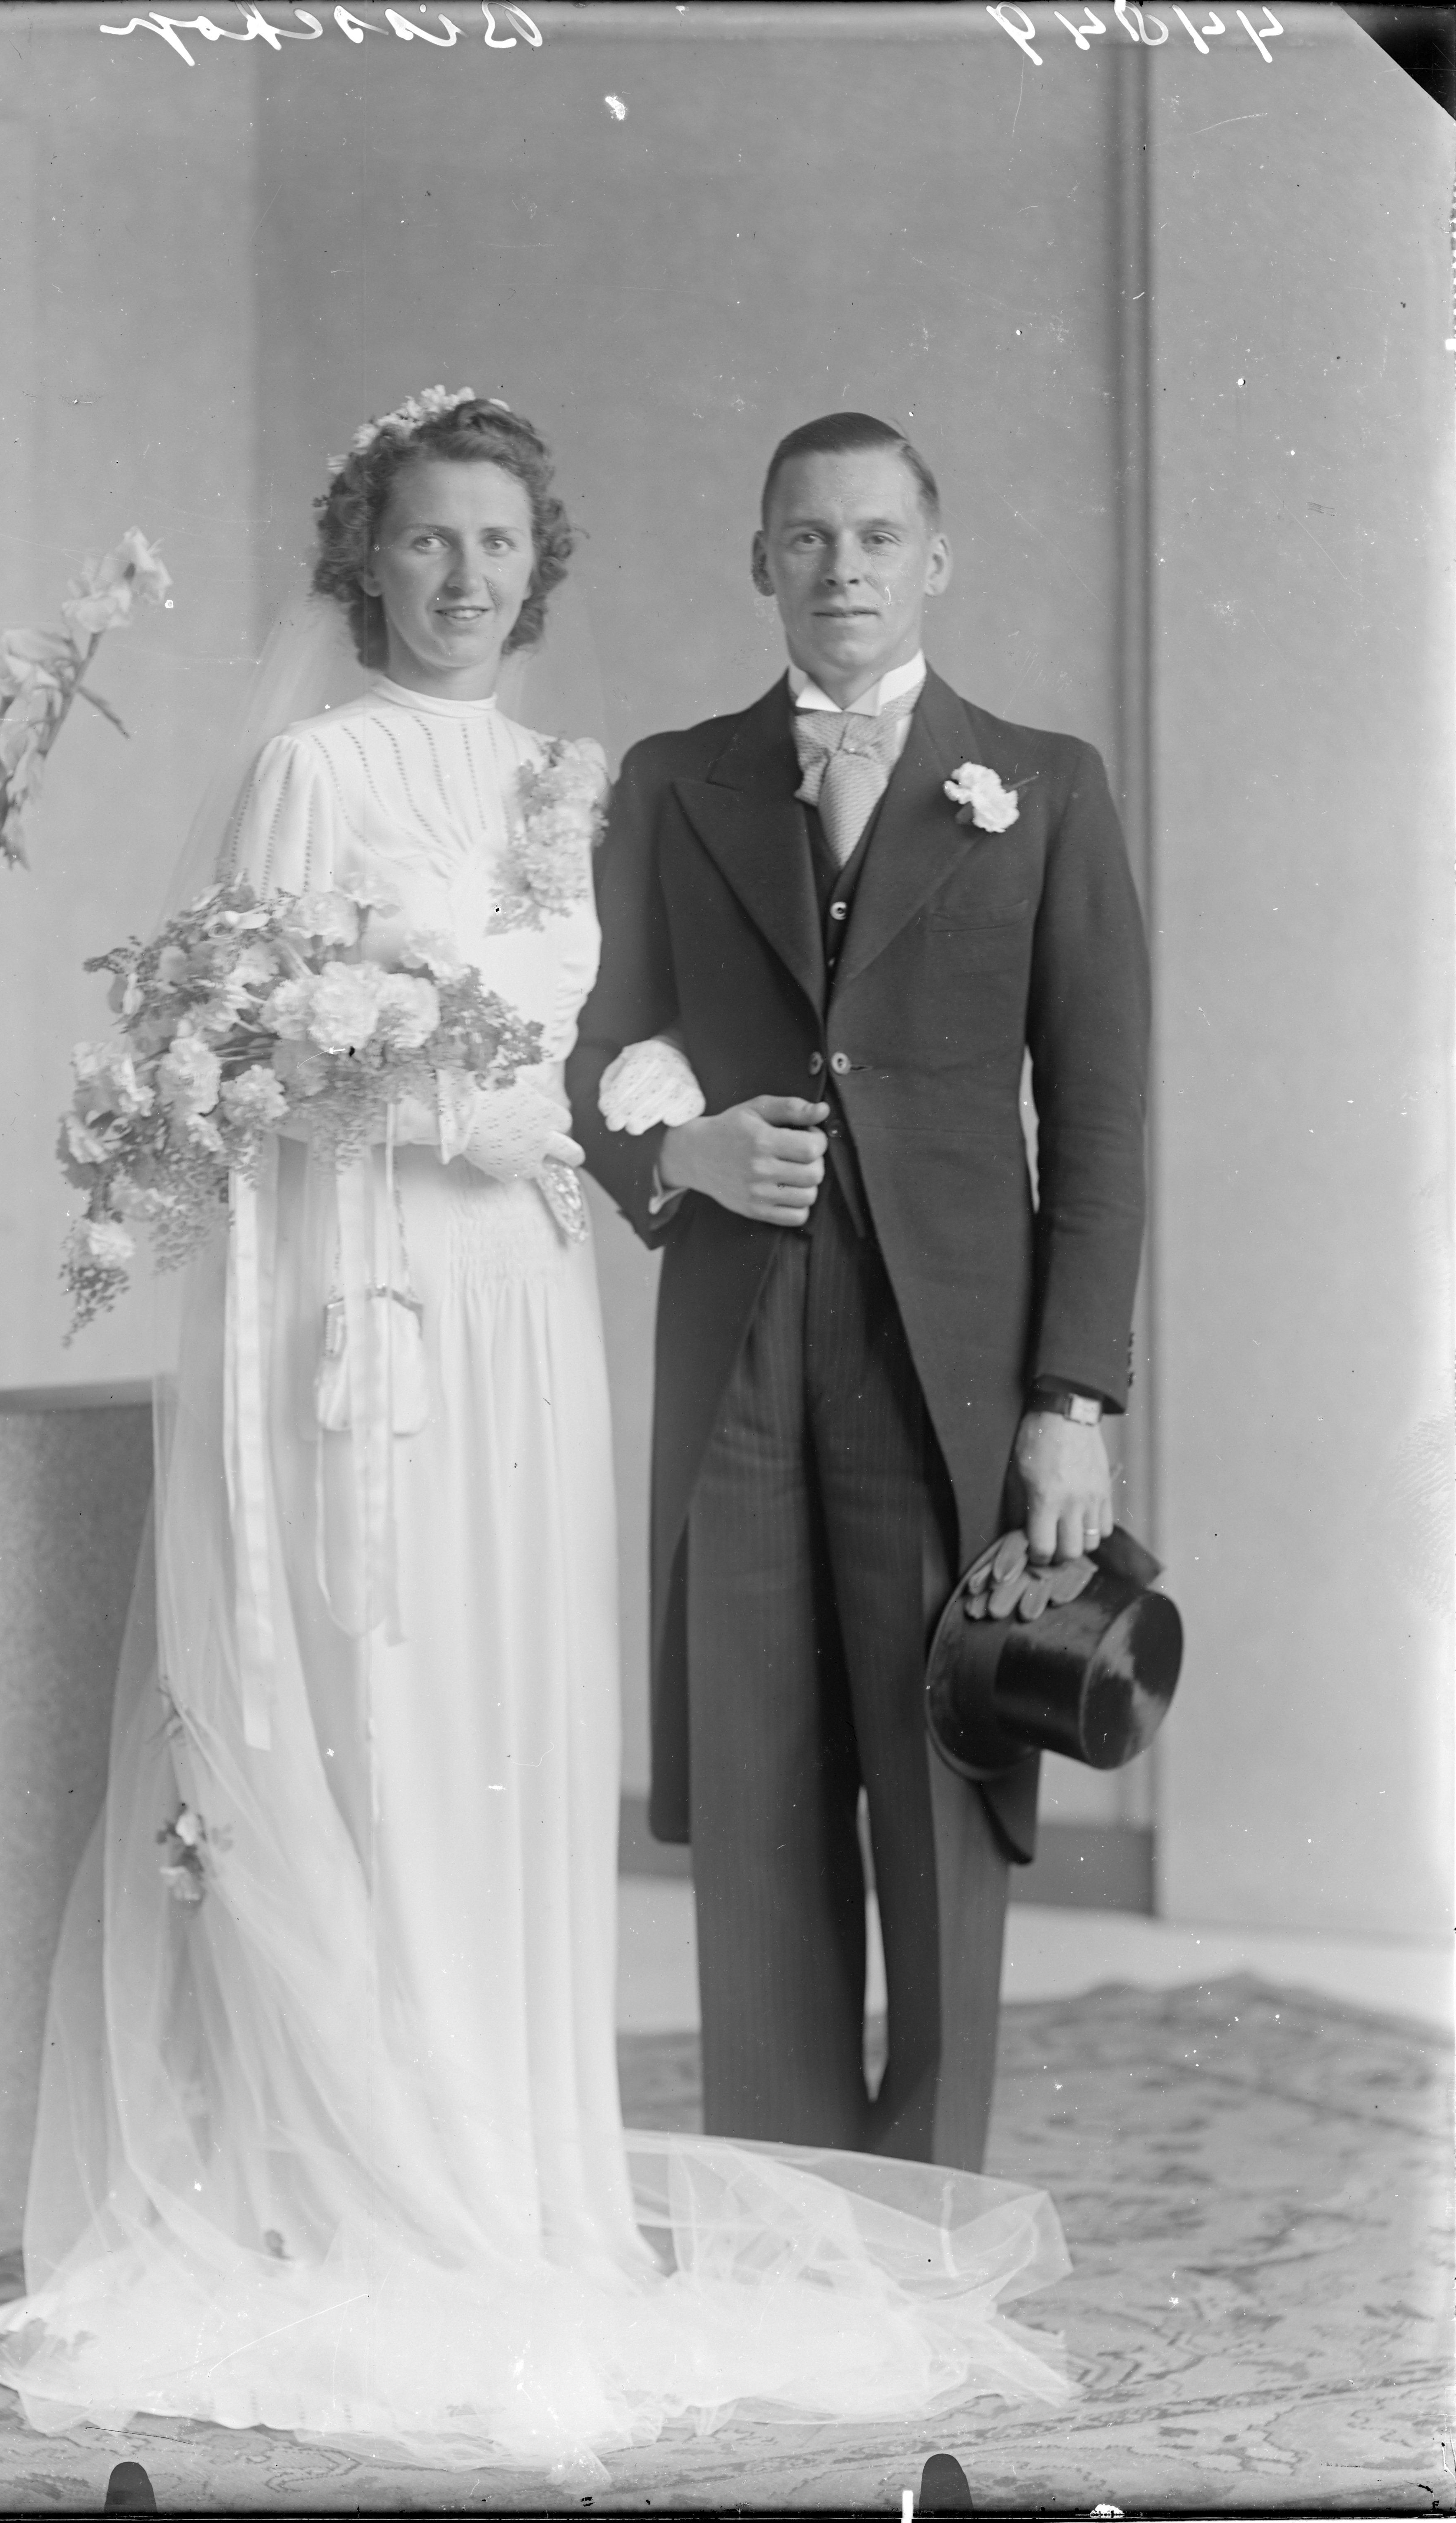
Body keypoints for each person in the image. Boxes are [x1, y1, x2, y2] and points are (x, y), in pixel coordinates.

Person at [0, 393, 1074, 2483]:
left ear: (539, 566)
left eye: (496, 545)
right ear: (362, 559)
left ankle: (524, 2173)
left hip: (529, 1312)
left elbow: (629, 1044)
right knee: (387, 1696)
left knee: (514, 1715)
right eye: (425, 542)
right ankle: (381, 2167)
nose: (463, 579)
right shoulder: (314, 771)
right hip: (372, 1297)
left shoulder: (578, 780)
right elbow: (254, 1068)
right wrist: (489, 1118)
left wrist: (648, 1132)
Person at [568, 411, 1150, 2177]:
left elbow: (1101, 1115)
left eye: (878, 537)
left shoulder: (1043, 785)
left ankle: (930, 2226)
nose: (843, 570)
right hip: (740, 1340)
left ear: (935, 560)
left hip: (951, 1361)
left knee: (944, 1770)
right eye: (808, 538)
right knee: (758, 1784)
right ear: (760, 562)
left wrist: (1071, 1399)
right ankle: (783, 2219)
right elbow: (588, 1051)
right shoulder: (674, 782)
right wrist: (681, 1155)